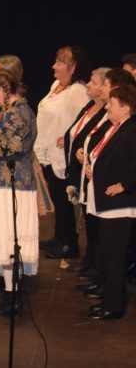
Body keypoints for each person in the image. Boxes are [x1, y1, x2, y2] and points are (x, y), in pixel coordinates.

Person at [0, 69, 38, 316]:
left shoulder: (19, 113)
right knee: (5, 242)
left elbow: (14, 145)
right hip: (3, 182)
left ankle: (13, 298)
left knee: (9, 240)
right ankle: (8, 293)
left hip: (11, 185)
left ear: (4, 90)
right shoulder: (12, 111)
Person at [82, 85, 136, 320]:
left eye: (112, 104)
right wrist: (91, 166)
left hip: (120, 206)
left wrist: (124, 185)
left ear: (125, 108)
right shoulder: (117, 128)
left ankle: (113, 306)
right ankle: (108, 296)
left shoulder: (131, 131)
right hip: (106, 203)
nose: (107, 107)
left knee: (115, 257)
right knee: (107, 253)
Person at [35, 46, 91, 260]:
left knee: (64, 199)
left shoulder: (77, 91)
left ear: (73, 67)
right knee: (57, 198)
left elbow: (86, 119)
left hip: (61, 156)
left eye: (59, 63)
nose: (54, 66)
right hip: (48, 151)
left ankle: (69, 243)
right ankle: (59, 237)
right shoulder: (56, 86)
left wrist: (68, 137)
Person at [62, 68, 111, 280]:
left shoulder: (107, 113)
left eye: (94, 82)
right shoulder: (91, 106)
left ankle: (95, 267)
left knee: (95, 226)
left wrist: (86, 152)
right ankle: (89, 262)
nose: (88, 85)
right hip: (82, 172)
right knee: (89, 223)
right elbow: (82, 134)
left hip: (94, 176)